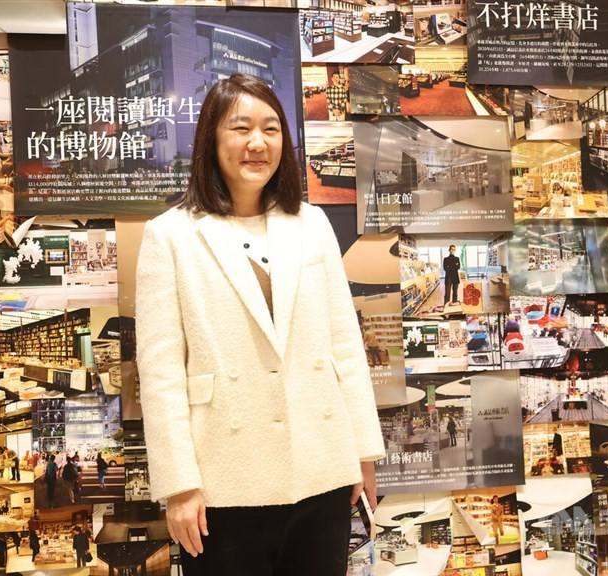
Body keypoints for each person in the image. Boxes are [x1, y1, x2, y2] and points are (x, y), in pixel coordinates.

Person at [134, 74, 385, 576]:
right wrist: (179, 486)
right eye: (241, 128)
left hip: (322, 466)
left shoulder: (310, 224)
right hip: (224, 478)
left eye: (271, 129)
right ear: (212, 139)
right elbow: (160, 373)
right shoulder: (171, 236)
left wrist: (363, 453)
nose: (257, 143)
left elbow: (344, 345)